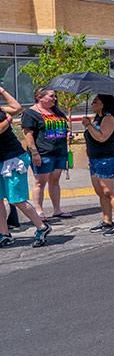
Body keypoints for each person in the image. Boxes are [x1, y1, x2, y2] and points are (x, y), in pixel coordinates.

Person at [0, 85, 51, 248]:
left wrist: (1, 91)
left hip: (12, 159)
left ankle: (42, 227)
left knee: (17, 199)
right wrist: (8, 119)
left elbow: (17, 107)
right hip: (1, 159)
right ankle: (4, 234)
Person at [21, 88, 72, 220]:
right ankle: (39, 211)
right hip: (43, 152)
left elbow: (63, 128)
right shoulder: (30, 113)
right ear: (39, 97)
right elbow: (28, 134)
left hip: (59, 151)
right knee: (40, 182)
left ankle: (57, 210)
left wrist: (67, 135)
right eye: (51, 96)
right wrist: (34, 153)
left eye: (55, 96)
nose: (54, 99)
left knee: (55, 180)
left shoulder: (56, 111)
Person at [82, 94, 114, 235]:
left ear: (103, 104)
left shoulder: (108, 118)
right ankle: (107, 221)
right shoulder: (97, 118)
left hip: (107, 159)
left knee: (111, 192)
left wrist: (88, 125)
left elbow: (102, 137)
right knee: (101, 193)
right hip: (95, 159)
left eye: (95, 102)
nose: (92, 104)